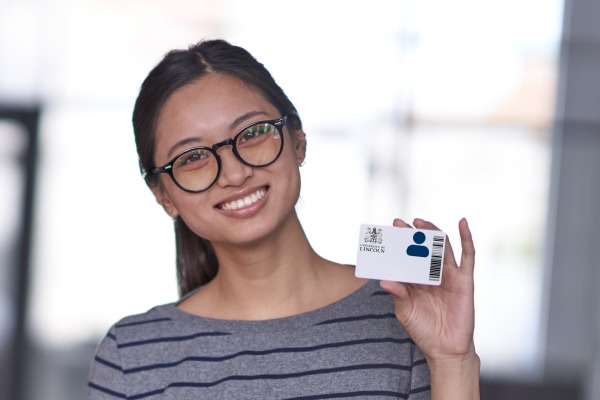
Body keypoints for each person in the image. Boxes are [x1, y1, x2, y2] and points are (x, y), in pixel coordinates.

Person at [87, 39, 480, 399]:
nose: (234, 174)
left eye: (252, 133)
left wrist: (452, 361)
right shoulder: (131, 356)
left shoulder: (407, 315)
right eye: (192, 158)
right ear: (163, 195)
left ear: (297, 140)